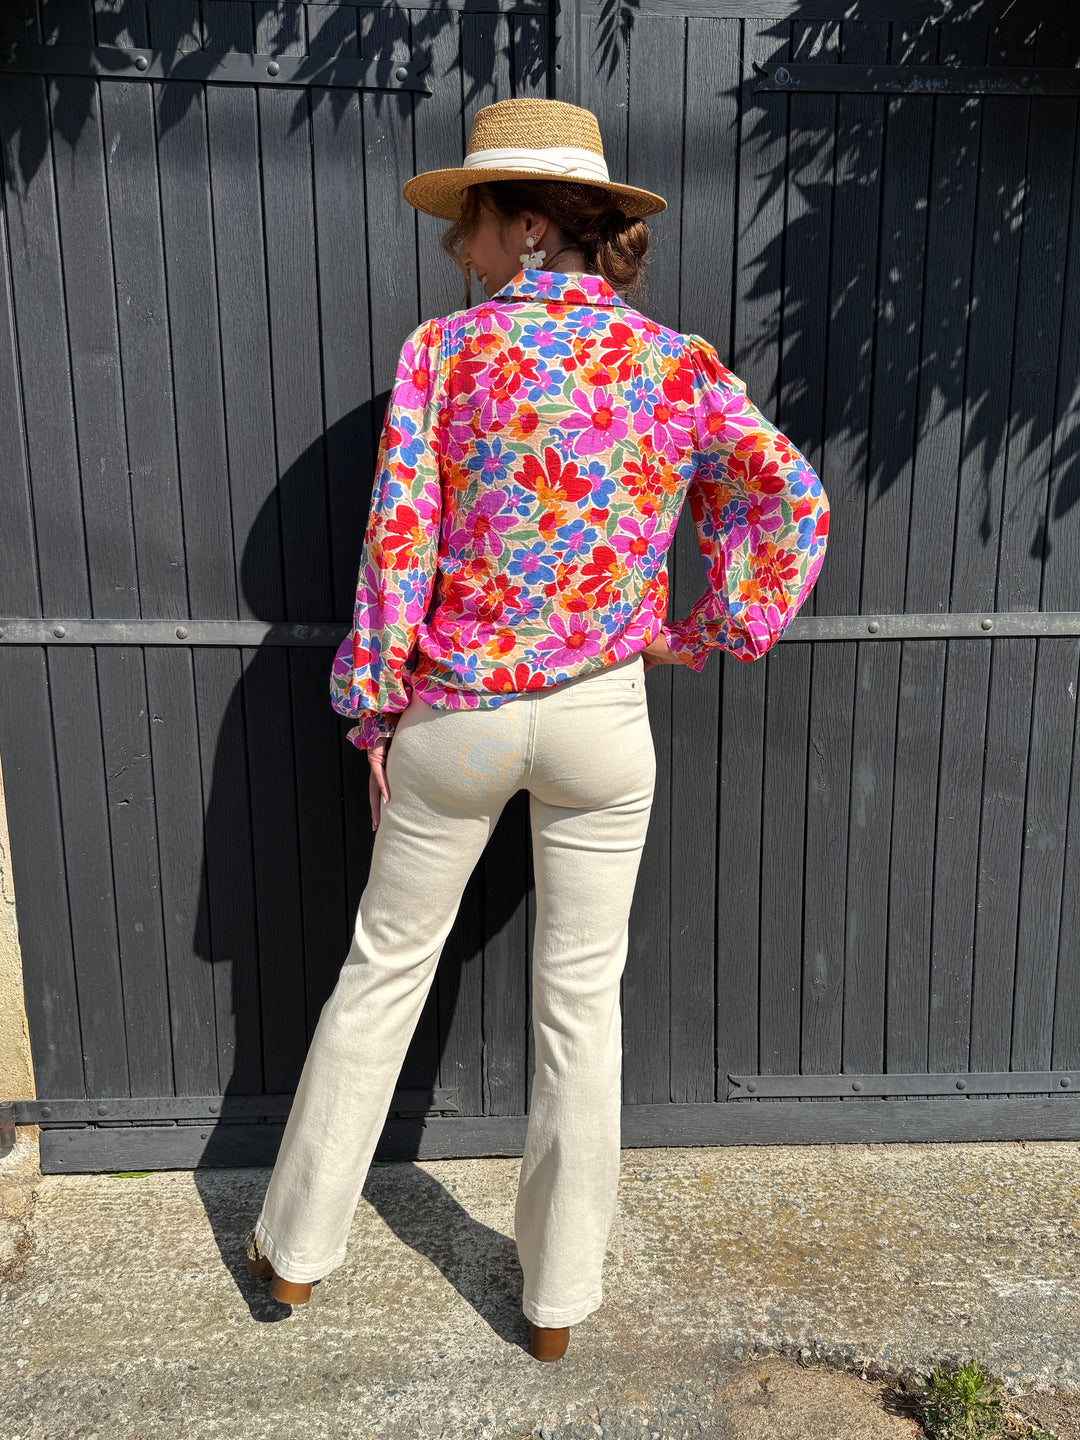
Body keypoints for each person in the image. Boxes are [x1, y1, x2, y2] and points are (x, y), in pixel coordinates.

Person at [245, 97, 829, 1362]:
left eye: (470, 216)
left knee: (380, 975)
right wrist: (707, 628)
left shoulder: (446, 356)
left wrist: (371, 713)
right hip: (601, 724)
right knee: (581, 1005)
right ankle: (557, 1302)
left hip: (458, 717)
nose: (454, 241)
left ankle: (293, 1257)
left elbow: (398, 546)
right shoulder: (675, 365)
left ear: (527, 228)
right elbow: (791, 496)